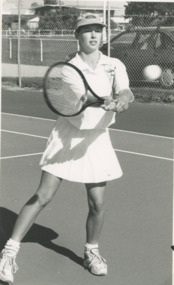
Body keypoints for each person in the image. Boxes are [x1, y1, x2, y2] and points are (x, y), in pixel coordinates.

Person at [0, 13, 134, 283]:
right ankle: (9, 253)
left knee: (97, 203)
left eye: (98, 30)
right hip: (68, 137)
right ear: (77, 35)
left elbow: (126, 91)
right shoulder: (66, 70)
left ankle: (91, 252)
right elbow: (82, 102)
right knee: (43, 196)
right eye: (87, 31)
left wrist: (123, 98)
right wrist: (106, 100)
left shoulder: (115, 64)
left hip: (97, 140)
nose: (94, 36)